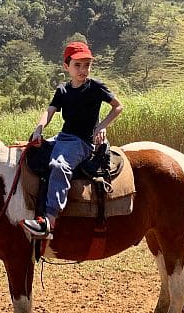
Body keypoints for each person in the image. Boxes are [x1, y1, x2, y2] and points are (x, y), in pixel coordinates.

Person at [21, 41, 123, 239]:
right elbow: (49, 112)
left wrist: (101, 127)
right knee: (30, 151)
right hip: (63, 137)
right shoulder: (62, 90)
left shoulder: (96, 87)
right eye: (78, 65)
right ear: (66, 67)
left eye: (87, 65)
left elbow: (118, 106)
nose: (83, 70)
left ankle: (49, 220)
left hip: (83, 142)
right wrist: (38, 130)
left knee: (59, 165)